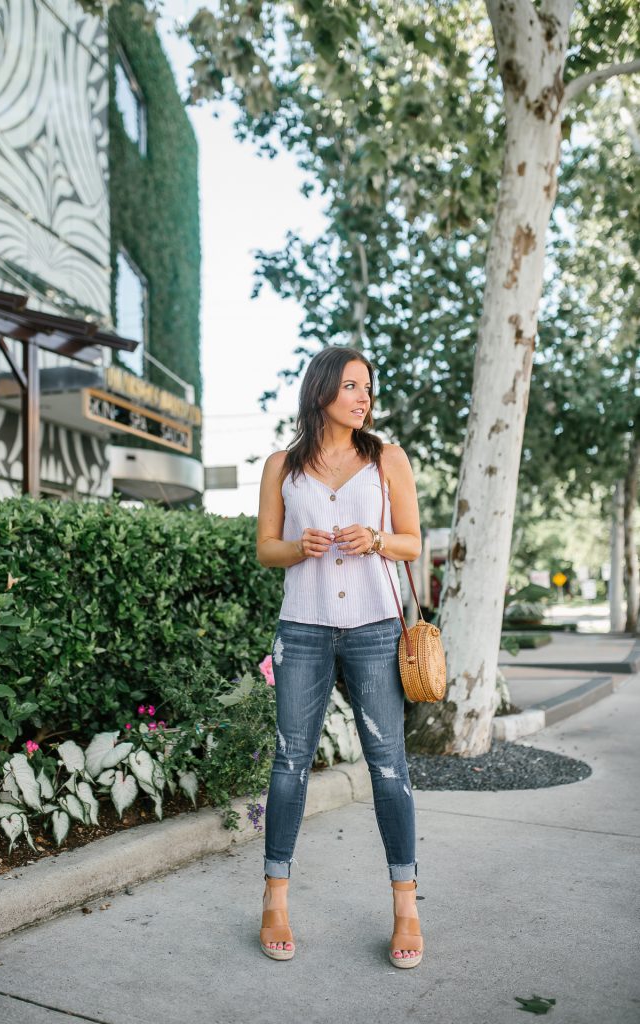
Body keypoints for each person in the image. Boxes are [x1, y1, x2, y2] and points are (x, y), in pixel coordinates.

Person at [255, 345, 424, 968]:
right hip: (302, 628)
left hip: (376, 630)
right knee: (290, 762)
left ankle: (406, 905)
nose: (364, 397)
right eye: (352, 385)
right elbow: (265, 551)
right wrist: (301, 546)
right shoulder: (283, 465)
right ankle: (275, 897)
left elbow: (411, 542)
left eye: (368, 387)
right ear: (322, 388)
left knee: (388, 765)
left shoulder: (387, 459)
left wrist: (376, 538)